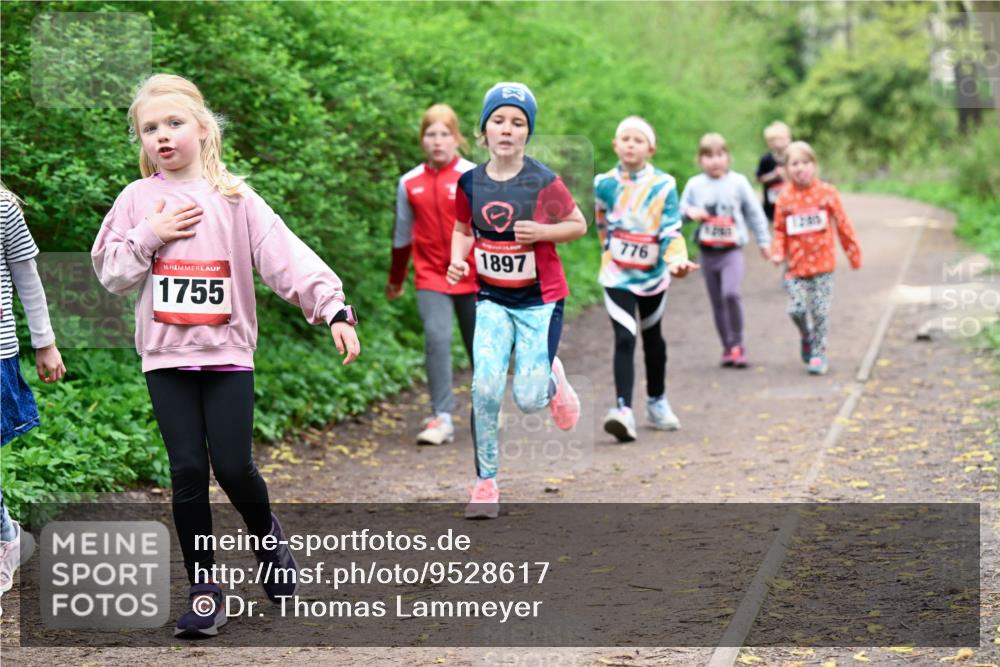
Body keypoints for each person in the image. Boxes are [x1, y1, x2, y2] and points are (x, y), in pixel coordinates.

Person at [92, 74, 361, 638]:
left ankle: (269, 544)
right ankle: (205, 591)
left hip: (228, 355)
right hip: (166, 359)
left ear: (203, 128)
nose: (162, 136)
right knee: (187, 470)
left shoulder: (234, 197)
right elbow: (111, 271)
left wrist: (332, 308)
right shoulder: (137, 200)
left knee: (235, 467)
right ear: (140, 141)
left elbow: (286, 256)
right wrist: (149, 233)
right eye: (149, 129)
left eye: (173, 123)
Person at [446, 82, 585, 519]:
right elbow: (464, 230)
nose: (507, 129)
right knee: (484, 387)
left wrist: (543, 232)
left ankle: (551, 379)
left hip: (540, 301)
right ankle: (486, 483)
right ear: (483, 130)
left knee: (526, 398)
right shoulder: (469, 183)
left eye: (518, 122)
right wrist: (456, 262)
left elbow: (578, 224)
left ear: (528, 133)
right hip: (490, 299)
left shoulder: (544, 182)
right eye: (499, 120)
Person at [594, 116, 698, 442]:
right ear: (615, 145)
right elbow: (601, 222)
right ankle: (623, 410)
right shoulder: (604, 184)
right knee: (625, 337)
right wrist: (610, 252)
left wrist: (677, 260)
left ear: (650, 149)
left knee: (653, 338)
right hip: (617, 275)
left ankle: (657, 401)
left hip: (653, 276)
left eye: (638, 140)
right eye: (625, 138)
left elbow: (671, 230)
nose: (630, 145)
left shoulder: (664, 185)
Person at [387, 104, 476, 446]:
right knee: (437, 339)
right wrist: (396, 278)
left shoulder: (473, 176)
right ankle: (441, 416)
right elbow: (402, 236)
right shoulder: (409, 182)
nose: (437, 141)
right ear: (422, 140)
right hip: (430, 276)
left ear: (456, 139)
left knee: (478, 348)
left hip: (472, 274)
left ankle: (486, 409)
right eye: (430, 134)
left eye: (444, 134)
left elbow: (488, 228)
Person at [0, 184, 65, 612]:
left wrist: (45, 342)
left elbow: (28, 277)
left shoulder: (2, 206)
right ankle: (7, 534)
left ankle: (4, 541)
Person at [770, 141, 861, 375]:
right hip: (796, 267)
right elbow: (779, 229)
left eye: (805, 162)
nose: (800, 168)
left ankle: (819, 354)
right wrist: (778, 251)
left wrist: (853, 253)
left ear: (814, 165)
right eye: (794, 164)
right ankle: (806, 335)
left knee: (820, 311)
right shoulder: (785, 198)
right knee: (796, 309)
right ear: (787, 169)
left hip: (823, 266)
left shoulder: (827, 193)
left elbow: (843, 224)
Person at [680, 133, 771, 368]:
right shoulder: (694, 185)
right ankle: (727, 346)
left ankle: (738, 343)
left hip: (732, 252)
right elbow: (677, 214)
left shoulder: (738, 183)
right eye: (708, 156)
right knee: (717, 301)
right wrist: (689, 213)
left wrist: (764, 242)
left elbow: (754, 213)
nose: (715, 161)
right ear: (700, 160)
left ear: (728, 157)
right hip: (707, 253)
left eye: (720, 155)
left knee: (731, 293)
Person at [755, 121, 792, 223]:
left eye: (782, 139)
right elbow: (758, 178)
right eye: (775, 140)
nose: (779, 143)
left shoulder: (794, 157)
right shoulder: (766, 159)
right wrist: (774, 175)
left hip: (792, 203)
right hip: (772, 206)